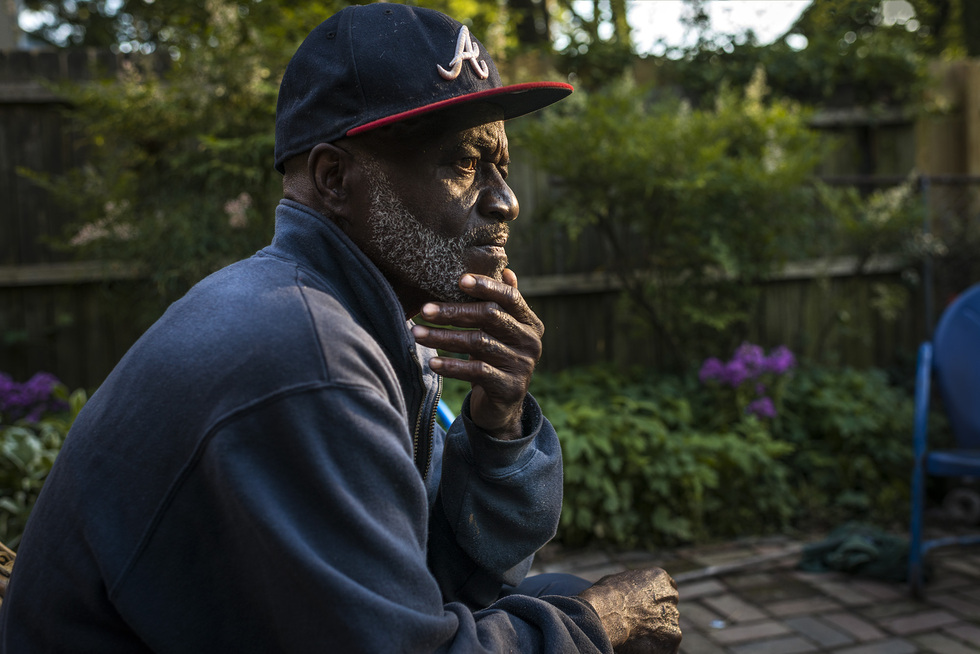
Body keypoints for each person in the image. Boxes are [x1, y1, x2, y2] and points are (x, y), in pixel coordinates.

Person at [0, 3, 681, 652]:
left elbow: (442, 577)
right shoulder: (306, 359)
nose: (507, 201)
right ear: (333, 178)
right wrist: (602, 622)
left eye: (501, 165)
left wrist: (496, 426)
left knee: (559, 598)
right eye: (465, 163)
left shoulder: (365, 322)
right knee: (594, 621)